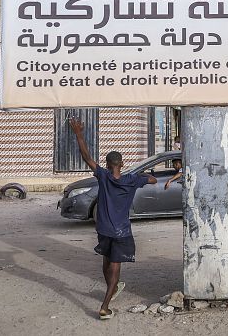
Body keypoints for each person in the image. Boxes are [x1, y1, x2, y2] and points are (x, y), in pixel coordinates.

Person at [69, 119, 157, 320]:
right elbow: (152, 180)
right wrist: (141, 175)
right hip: (121, 231)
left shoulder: (103, 176)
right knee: (116, 266)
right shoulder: (131, 180)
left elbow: (86, 157)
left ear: (108, 165)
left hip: (103, 228)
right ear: (122, 164)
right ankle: (105, 305)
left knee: (106, 260)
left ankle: (112, 289)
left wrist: (79, 134)